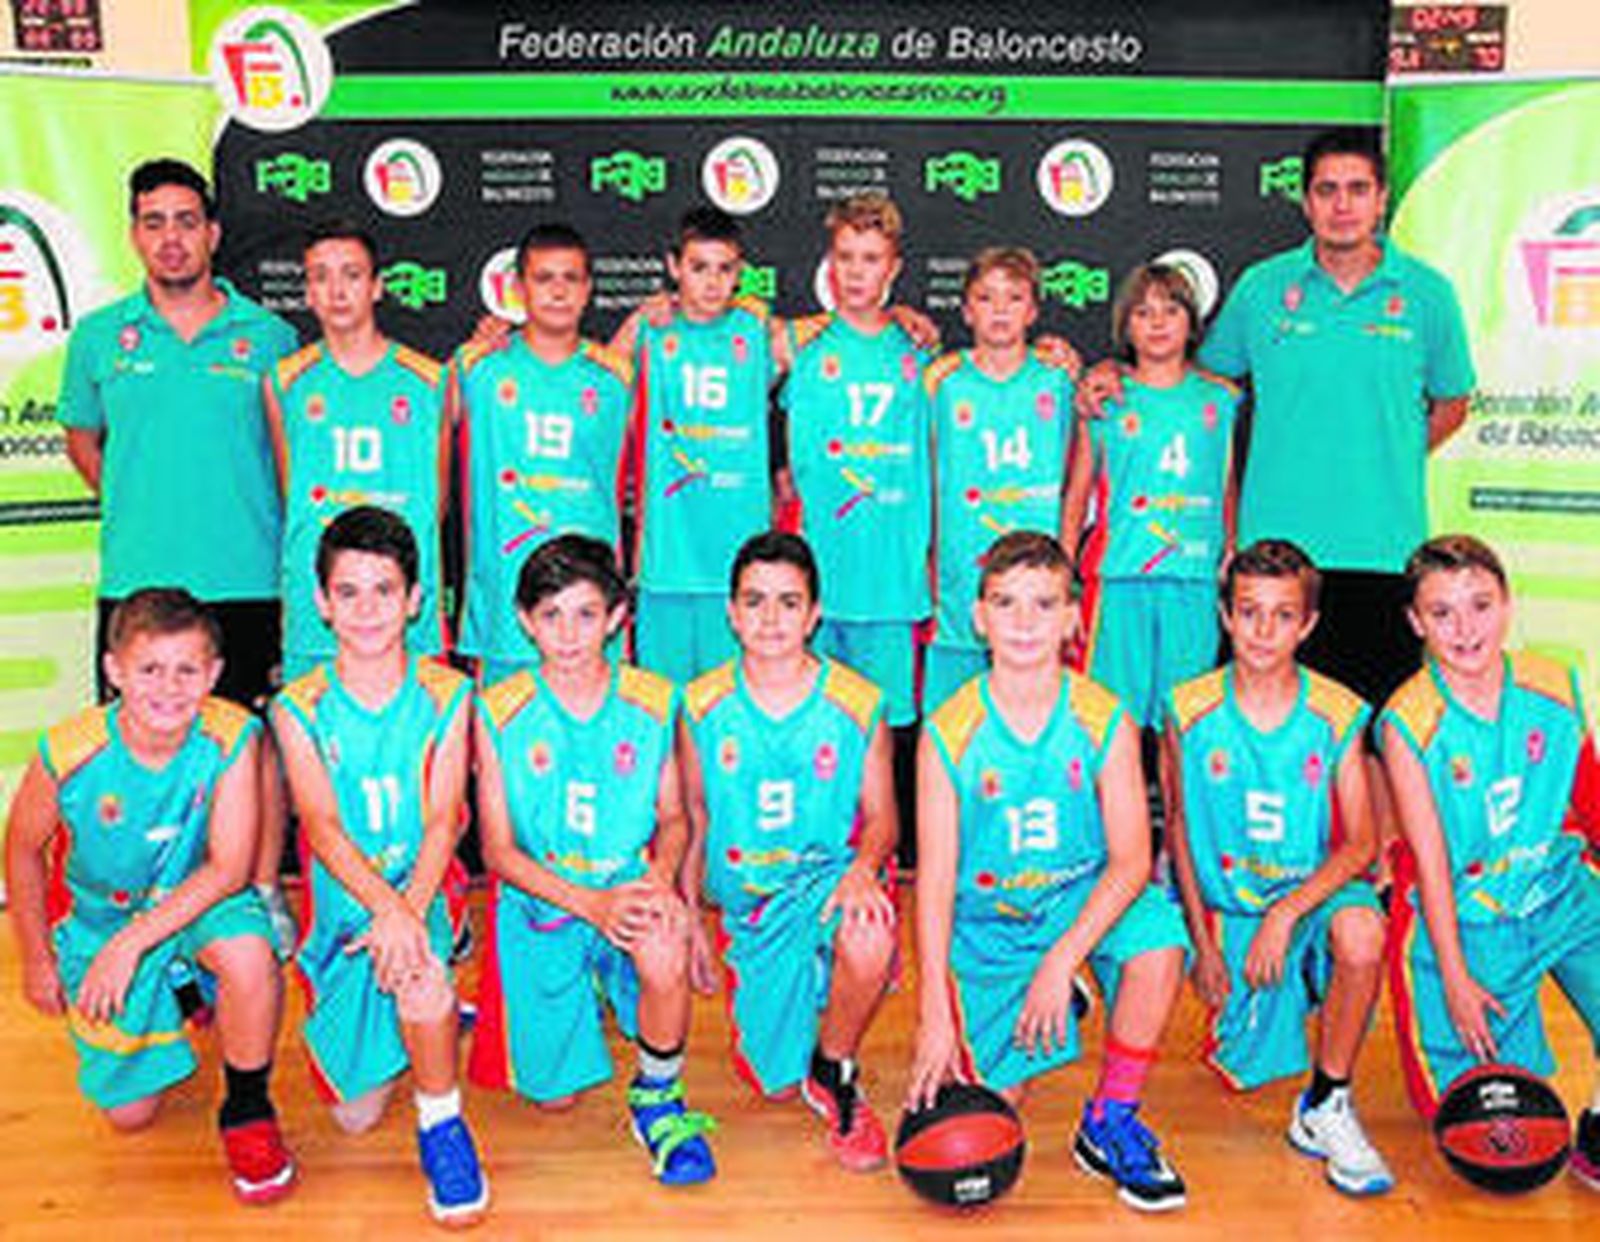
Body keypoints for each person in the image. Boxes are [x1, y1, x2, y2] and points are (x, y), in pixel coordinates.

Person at [1079, 128, 1474, 718]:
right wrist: (1113, 370)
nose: (1342, 205)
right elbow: (1193, 379)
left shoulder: (1428, 293)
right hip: (1274, 555)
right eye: (1327, 190)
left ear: (1381, 199)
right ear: (1306, 201)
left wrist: (1384, 452)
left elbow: (1453, 402)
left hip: (1383, 547)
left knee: (1376, 736)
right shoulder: (1264, 287)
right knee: (1261, 726)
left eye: (1357, 189)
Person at [909, 531, 1190, 1212]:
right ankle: (1058, 999)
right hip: (989, 927)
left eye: (1044, 604)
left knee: (1159, 942)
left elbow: (1131, 859)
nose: (1024, 622)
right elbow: (934, 886)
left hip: (1077, 902)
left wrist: (1061, 959)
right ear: (978, 617)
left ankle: (1111, 1118)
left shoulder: (1103, 718)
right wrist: (933, 1014)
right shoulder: (948, 734)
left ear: (1072, 618)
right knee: (986, 1117)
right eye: (1006, 603)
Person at [5, 588, 295, 1204]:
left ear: (213, 674)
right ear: (114, 670)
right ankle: (186, 991)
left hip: (197, 902)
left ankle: (247, 1108)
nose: (169, 688)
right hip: (103, 921)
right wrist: (36, 958)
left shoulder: (232, 735)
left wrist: (132, 946)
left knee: (250, 953)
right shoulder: (69, 750)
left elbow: (228, 869)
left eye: (187, 670)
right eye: (150, 669)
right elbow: (23, 850)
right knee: (131, 1116)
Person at [468, 534, 716, 1187]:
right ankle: (590, 992)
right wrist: (590, 906)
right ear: (525, 621)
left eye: (585, 614)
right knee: (554, 1103)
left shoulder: (654, 700)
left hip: (626, 886)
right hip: (545, 898)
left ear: (616, 617)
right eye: (551, 615)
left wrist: (659, 882)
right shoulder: (497, 712)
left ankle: (657, 1095)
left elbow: (674, 819)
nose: (569, 633)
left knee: (663, 944)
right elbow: (497, 852)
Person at [272, 507, 487, 1226]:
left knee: (418, 970)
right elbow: (323, 828)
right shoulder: (296, 708)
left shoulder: (450, 694)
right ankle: (426, 1015)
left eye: (384, 590)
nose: (367, 609)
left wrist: (409, 912)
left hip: (424, 887)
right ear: (322, 602)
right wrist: (386, 911)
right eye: (349, 592)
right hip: (346, 910)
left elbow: (443, 819)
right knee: (355, 1118)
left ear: (415, 599)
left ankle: (442, 1124)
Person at [1165, 540, 1392, 1196]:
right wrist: (1204, 945)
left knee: (1362, 934)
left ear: (1308, 624)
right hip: (1229, 908)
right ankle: (1302, 983)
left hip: (1311, 897)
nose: (1264, 630)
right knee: (1239, 1067)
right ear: (1226, 616)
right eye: (1249, 612)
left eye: (1283, 615)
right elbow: (1177, 827)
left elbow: (1362, 842)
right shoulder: (1187, 709)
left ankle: (1328, 1100)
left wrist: (1287, 913)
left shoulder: (1338, 712)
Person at [1380, 534, 1600, 1187]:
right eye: (1441, 612)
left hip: (1557, 892)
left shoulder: (1553, 686)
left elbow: (1591, 798)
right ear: (1416, 622)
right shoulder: (1407, 723)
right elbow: (1430, 866)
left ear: (1506, 604)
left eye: (1480, 604)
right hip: (1468, 922)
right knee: (1488, 1122)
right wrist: (1455, 977)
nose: (1465, 628)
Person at [680, 531, 899, 1170]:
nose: (770, 619)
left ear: (814, 613)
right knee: (772, 1085)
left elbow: (883, 819)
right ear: (731, 612)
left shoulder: (857, 703)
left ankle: (836, 1066)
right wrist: (692, 920)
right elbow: (693, 819)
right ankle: (812, 988)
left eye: (788, 602)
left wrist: (864, 871)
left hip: (825, 882)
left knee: (868, 933)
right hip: (750, 906)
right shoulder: (700, 704)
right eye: (754, 601)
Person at [58, 158, 297, 707]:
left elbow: (290, 457)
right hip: (136, 581)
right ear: (134, 235)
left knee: (244, 748)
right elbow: (81, 438)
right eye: (154, 222)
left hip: (247, 581)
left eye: (186, 222)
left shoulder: (272, 338)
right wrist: (133, 498)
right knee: (137, 746)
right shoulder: (97, 336)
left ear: (212, 234)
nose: (171, 238)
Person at [264, 222, 449, 684]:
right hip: (317, 612)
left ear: (376, 286)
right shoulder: (285, 382)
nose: (337, 291)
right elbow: (292, 494)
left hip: (404, 612)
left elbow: (438, 502)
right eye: (321, 277)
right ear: (307, 292)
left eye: (351, 274)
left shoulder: (430, 381)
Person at [777, 194, 932, 738]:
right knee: (815, 728)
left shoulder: (921, 352)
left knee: (884, 734)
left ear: (894, 268)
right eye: (845, 257)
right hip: (816, 575)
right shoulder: (798, 345)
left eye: (871, 259)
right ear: (829, 263)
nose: (856, 272)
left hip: (891, 578)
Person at [453, 224, 633, 686]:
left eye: (570, 278)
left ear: (588, 289)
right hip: (503, 611)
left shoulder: (618, 378)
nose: (558, 291)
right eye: (543, 278)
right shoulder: (476, 367)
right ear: (518, 287)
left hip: (591, 611)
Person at [1064, 264, 1240, 737]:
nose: (1157, 323)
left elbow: (1226, 483)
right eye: (1143, 313)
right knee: (1110, 721)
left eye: (1170, 310)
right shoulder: (1103, 399)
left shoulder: (1222, 400)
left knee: (1184, 722)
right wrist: (1063, 580)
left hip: (1194, 579)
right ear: (1125, 327)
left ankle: (1178, 791)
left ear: (1192, 323)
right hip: (1119, 577)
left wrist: (1231, 547)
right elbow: (1078, 494)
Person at [619, 206, 779, 685]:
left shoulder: (758, 332)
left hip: (738, 567)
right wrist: (635, 320)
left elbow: (842, 335)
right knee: (661, 707)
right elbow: (592, 385)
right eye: (699, 267)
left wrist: (901, 315)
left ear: (740, 273)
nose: (712, 282)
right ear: (674, 267)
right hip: (665, 563)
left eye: (725, 269)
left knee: (728, 707)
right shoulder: (649, 332)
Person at [924, 249, 1076, 713]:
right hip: (960, 575)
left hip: (1038, 581)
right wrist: (926, 555)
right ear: (966, 310)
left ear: (1032, 311)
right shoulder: (942, 383)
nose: (1000, 310)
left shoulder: (1059, 381)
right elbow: (924, 479)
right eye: (986, 298)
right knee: (953, 720)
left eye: (1014, 298)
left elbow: (1078, 477)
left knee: (1033, 713)